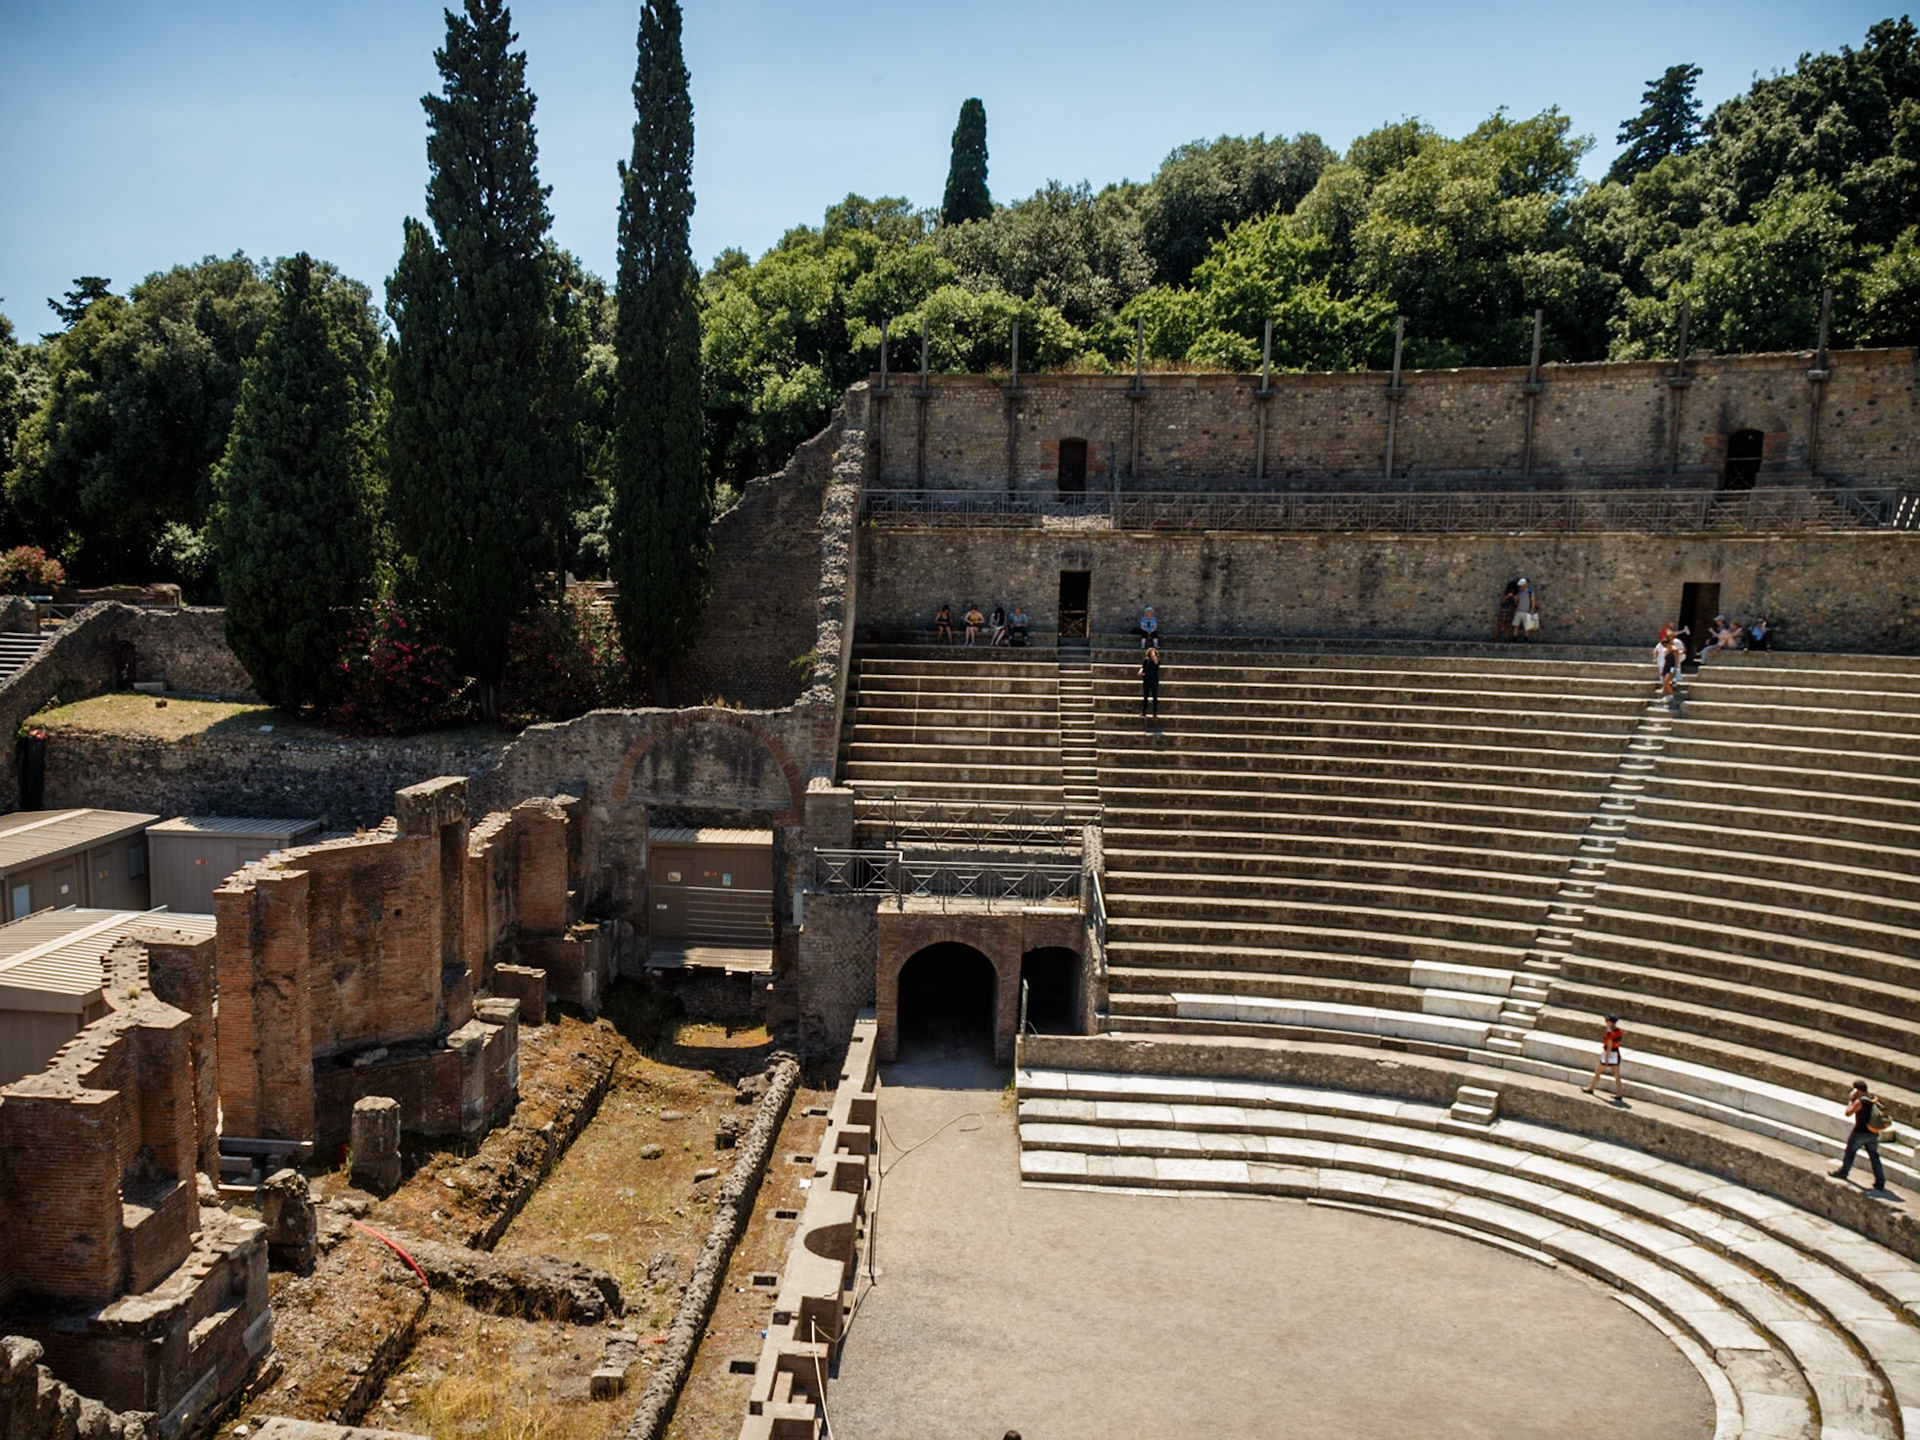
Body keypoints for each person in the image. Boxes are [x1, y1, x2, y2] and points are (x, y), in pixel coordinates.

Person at [1830, 1079, 1890, 1190]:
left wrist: (1851, 1100)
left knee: (1850, 1152)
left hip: (1860, 1133)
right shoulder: (1872, 1099)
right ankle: (1880, 1181)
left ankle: (1843, 1172)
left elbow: (1848, 1112)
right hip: (1873, 1133)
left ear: (1857, 1090)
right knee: (1874, 1156)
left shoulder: (1861, 1101)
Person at [1582, 1015, 1624, 1100]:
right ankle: (1619, 1093)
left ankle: (1590, 1088)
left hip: (1609, 1054)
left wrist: (1607, 1059)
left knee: (1598, 1071)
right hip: (1616, 1054)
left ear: (1610, 1022)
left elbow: (1609, 1046)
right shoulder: (1619, 1032)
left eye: (1607, 1021)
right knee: (1616, 1074)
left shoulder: (1610, 1034)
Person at [1139, 643, 1161, 720]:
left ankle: (1155, 712)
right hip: (1146, 679)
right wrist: (1140, 671)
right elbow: (1143, 667)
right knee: (1145, 696)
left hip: (1154, 680)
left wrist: (1153, 654)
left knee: (1155, 697)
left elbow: (1156, 662)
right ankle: (1144, 711)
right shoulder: (1146, 660)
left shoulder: (1157, 660)